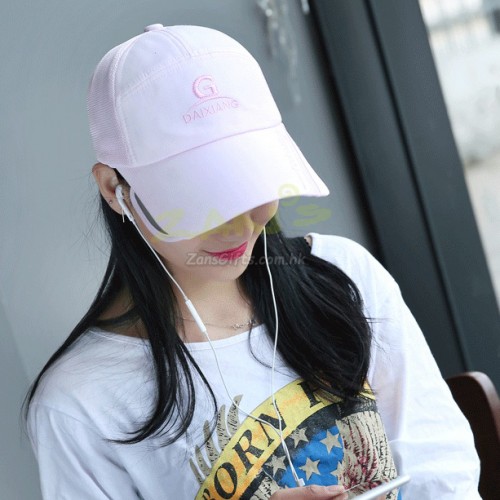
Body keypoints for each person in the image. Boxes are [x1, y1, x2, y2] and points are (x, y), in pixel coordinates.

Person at [25, 24, 480, 499]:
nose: (240, 224)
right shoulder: (80, 404)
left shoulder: (344, 275)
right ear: (113, 189)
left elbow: (441, 470)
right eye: (199, 194)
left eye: (251, 179)